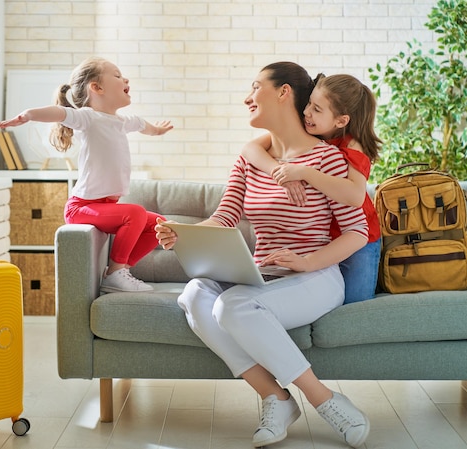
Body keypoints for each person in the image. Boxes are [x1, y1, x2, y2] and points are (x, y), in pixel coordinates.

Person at [155, 62, 371, 448]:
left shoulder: (327, 160)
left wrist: (306, 262)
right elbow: (225, 217)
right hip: (263, 277)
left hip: (314, 277)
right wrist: (180, 234)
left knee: (233, 306)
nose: (247, 97)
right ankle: (276, 398)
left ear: (284, 92)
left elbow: (357, 231)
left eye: (255, 87)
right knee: (193, 294)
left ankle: (323, 399)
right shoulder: (250, 158)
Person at [0, 57, 173, 293]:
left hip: (106, 207)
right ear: (96, 87)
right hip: (81, 207)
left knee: (160, 225)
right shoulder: (88, 118)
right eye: (118, 75)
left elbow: (145, 126)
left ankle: (121, 272)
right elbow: (59, 113)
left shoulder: (123, 122)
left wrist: (158, 131)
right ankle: (115, 272)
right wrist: (29, 114)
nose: (125, 79)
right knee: (135, 213)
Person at [240, 73, 382, 303]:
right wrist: (280, 173)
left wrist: (304, 172)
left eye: (317, 109)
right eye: (309, 104)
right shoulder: (309, 134)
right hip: (324, 237)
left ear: (341, 121)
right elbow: (249, 149)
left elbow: (355, 196)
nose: (306, 112)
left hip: (358, 239)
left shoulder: (352, 145)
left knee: (354, 302)